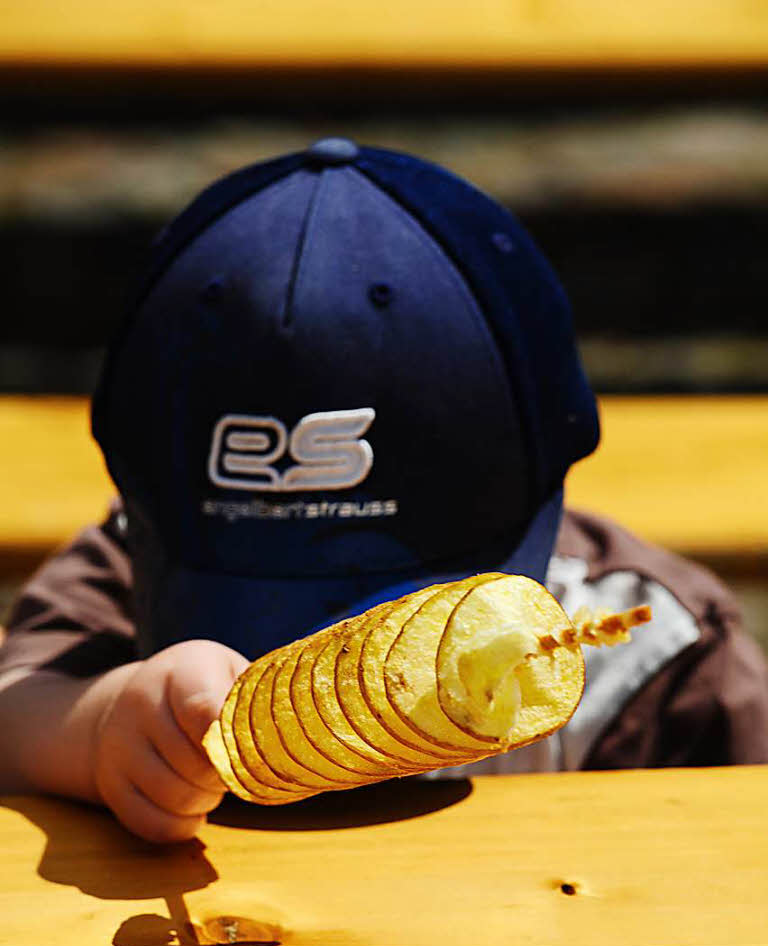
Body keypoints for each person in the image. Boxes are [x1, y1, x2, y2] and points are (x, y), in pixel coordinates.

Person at [1, 138, 766, 844]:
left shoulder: (655, 661)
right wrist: (95, 731)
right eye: (261, 630)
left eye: (410, 644)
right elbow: (12, 712)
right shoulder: (119, 575)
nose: (337, 703)